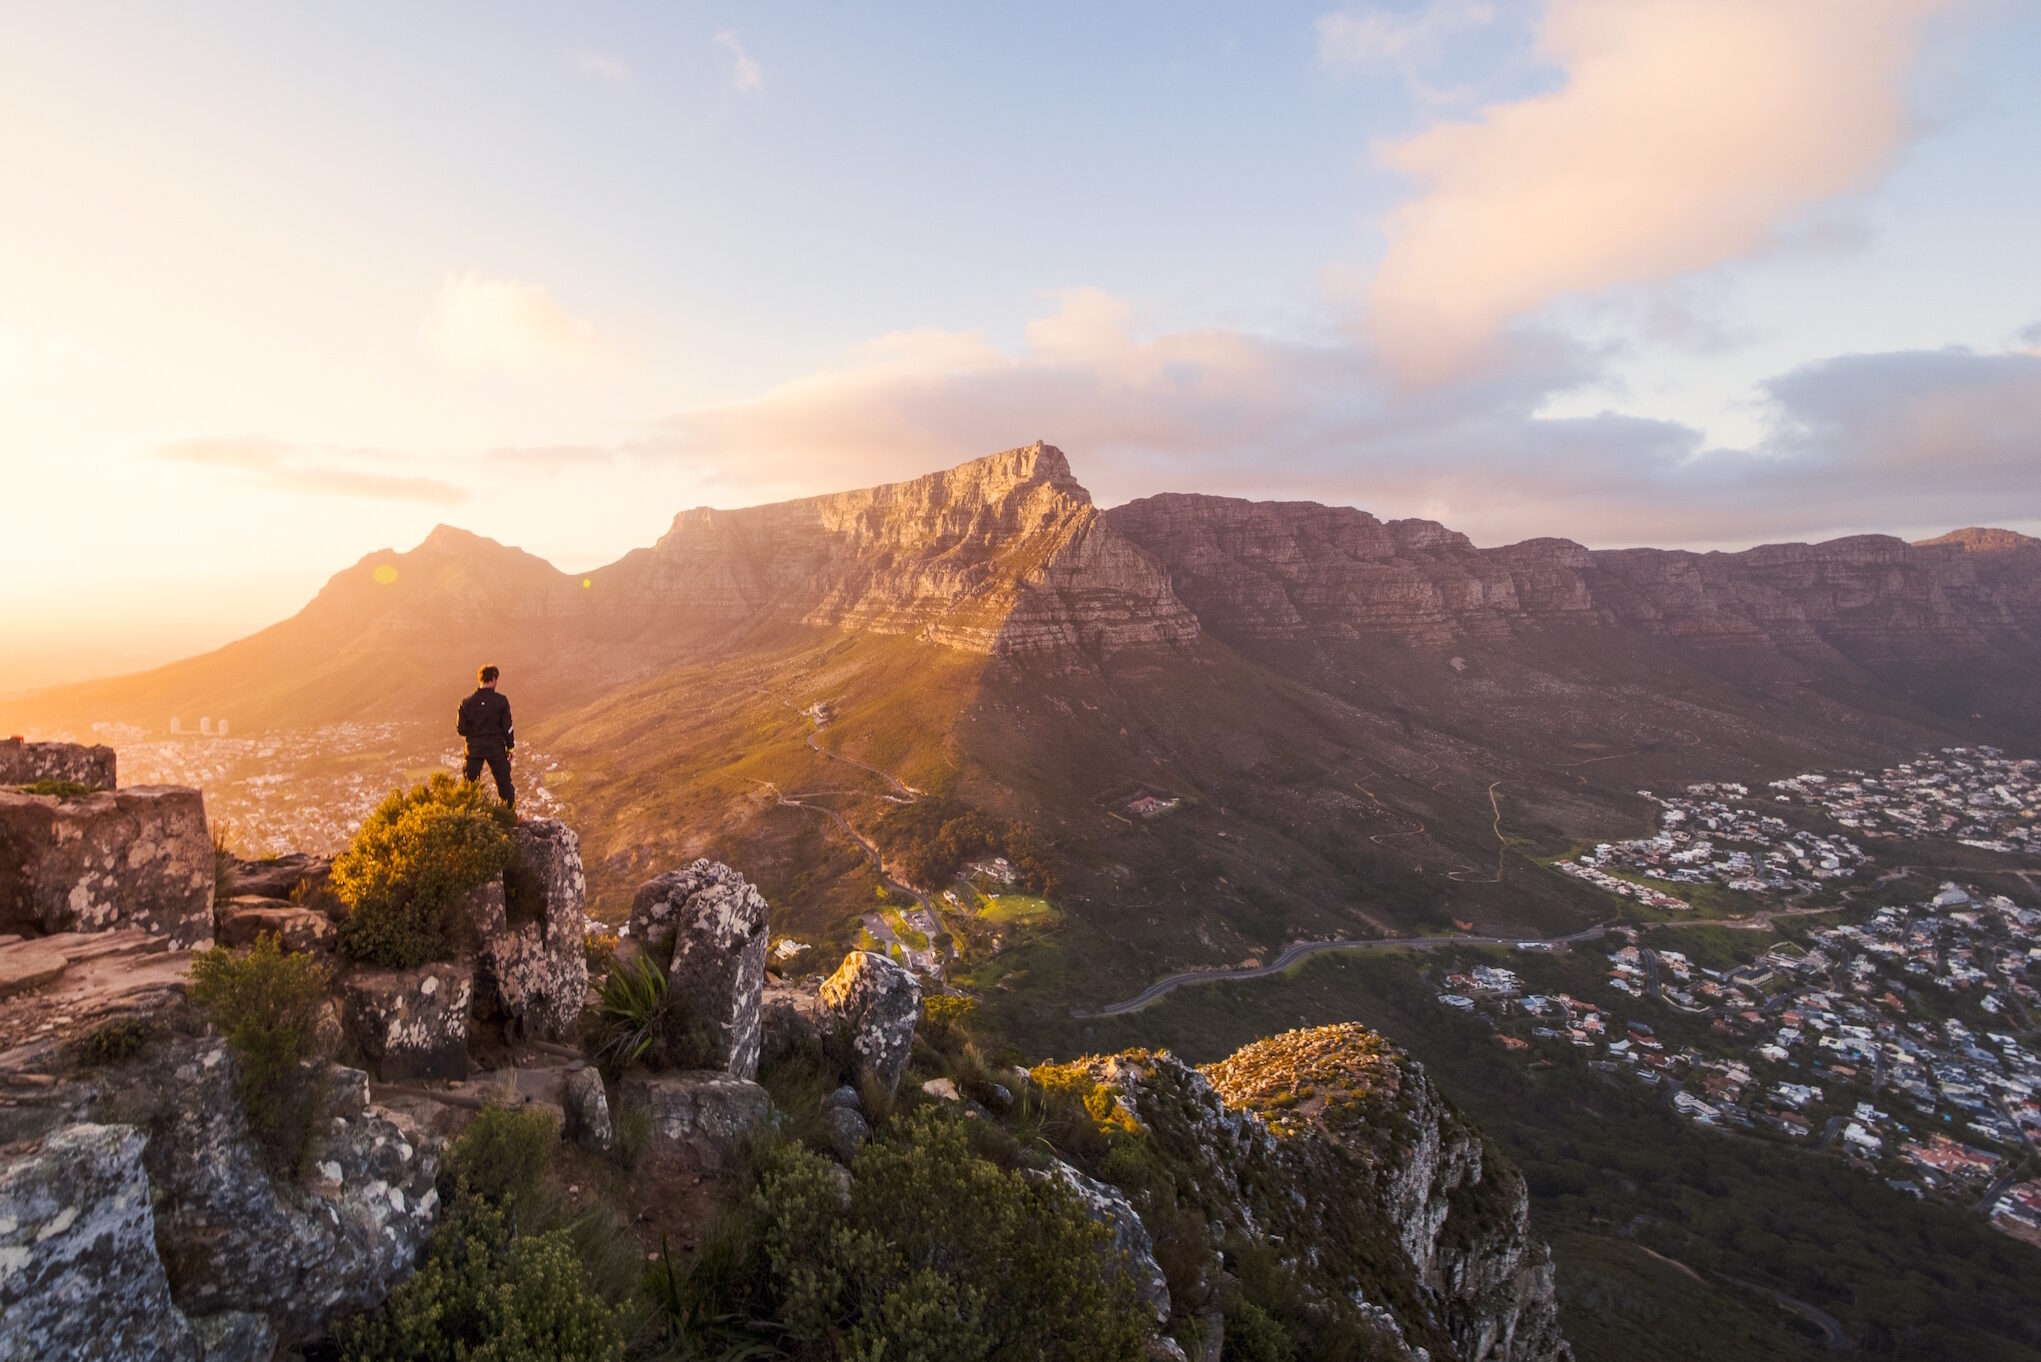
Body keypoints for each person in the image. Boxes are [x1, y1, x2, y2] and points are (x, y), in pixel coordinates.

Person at [457, 665, 516, 809]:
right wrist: (510, 748)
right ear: (494, 679)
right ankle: (509, 815)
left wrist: (475, 733)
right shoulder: (501, 701)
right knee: (503, 783)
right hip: (496, 748)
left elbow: (461, 729)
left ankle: (467, 815)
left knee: (469, 784)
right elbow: (507, 727)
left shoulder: (466, 702)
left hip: (473, 749)